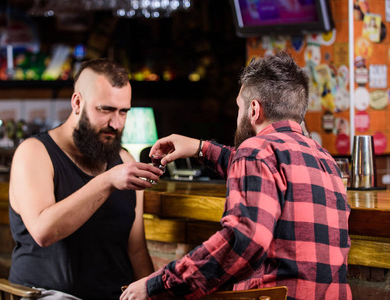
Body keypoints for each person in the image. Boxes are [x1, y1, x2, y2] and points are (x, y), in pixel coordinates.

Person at [121, 52, 352, 300]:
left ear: (254, 110)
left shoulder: (255, 151)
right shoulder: (324, 159)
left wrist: (158, 284)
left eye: (239, 107)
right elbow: (263, 172)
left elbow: (245, 239)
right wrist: (200, 148)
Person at [8, 58, 163, 299]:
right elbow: (43, 232)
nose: (116, 123)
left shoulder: (126, 162)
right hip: (46, 294)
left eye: (123, 112)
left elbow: (136, 251)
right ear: (78, 102)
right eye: (106, 110)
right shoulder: (34, 153)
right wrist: (108, 180)